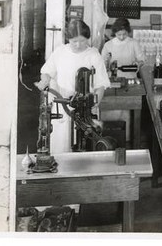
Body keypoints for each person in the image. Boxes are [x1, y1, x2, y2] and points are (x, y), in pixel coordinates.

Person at [35, 19, 111, 153]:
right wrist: (44, 80)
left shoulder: (93, 55)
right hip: (62, 105)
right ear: (68, 39)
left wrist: (93, 104)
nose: (78, 45)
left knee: (86, 145)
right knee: (61, 147)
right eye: (74, 41)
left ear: (88, 38)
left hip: (85, 108)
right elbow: (46, 72)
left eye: (82, 41)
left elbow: (101, 85)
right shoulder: (60, 52)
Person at [101, 17, 145, 146]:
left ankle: (128, 140)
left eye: (124, 34)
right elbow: (102, 63)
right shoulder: (108, 45)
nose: (121, 37)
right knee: (112, 109)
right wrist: (106, 62)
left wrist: (138, 63)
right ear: (114, 33)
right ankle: (111, 138)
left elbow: (142, 59)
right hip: (112, 81)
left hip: (130, 80)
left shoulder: (133, 43)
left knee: (128, 110)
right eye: (119, 34)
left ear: (128, 32)